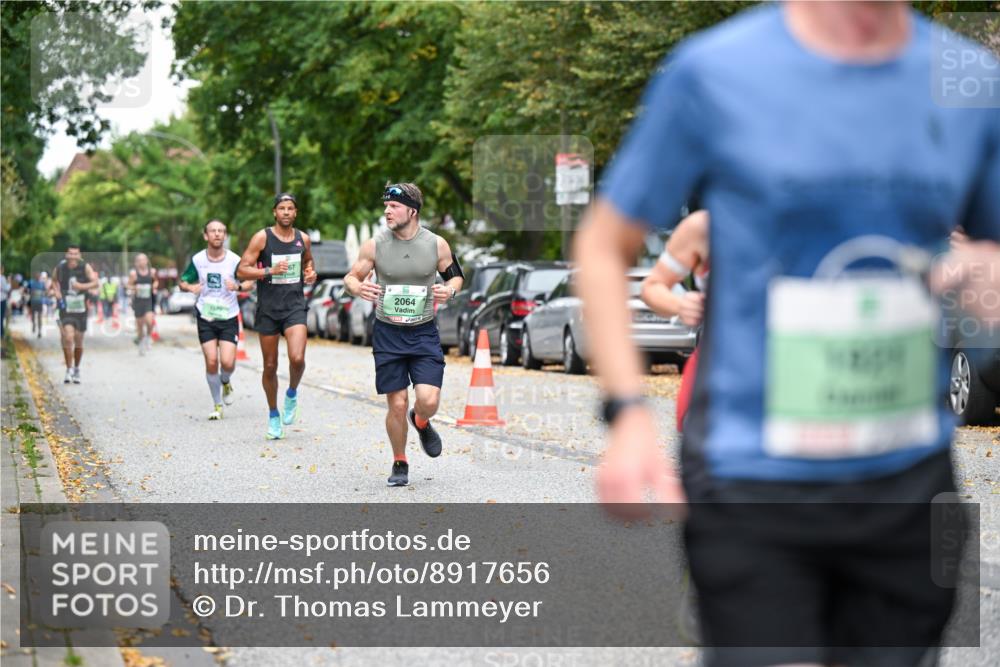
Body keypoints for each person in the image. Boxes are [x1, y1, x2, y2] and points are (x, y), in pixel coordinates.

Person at [574, 2, 998, 666]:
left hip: (909, 483)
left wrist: (983, 274)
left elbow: (991, 248)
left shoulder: (969, 81)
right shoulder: (715, 72)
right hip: (753, 474)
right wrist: (627, 414)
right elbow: (604, 243)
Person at [343, 183, 464, 487]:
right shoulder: (375, 245)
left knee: (429, 399)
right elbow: (351, 277)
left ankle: (421, 420)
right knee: (396, 404)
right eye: (385, 205)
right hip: (388, 333)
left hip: (423, 332)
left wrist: (449, 290)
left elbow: (456, 277)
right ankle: (400, 461)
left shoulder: (436, 244)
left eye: (394, 206)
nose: (387, 211)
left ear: (412, 210)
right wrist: (357, 287)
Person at [237, 193, 317, 439]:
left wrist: (310, 273)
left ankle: (291, 393)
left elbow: (309, 263)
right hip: (269, 309)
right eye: (281, 208)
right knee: (270, 366)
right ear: (275, 212)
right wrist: (268, 271)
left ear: (296, 212)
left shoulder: (303, 238)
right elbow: (242, 270)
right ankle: (273, 414)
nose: (286, 212)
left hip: (294, 307)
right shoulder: (262, 238)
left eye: (290, 208)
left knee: (297, 359)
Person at [639, 209, 709, 432]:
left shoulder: (802, 217)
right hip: (717, 362)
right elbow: (652, 286)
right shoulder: (703, 226)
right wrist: (681, 304)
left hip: (790, 363)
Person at [181, 220, 255, 420]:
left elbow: (250, 281)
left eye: (221, 231)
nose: (217, 234)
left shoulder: (234, 260)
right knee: (212, 360)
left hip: (228, 315)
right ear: (206, 235)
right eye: (213, 231)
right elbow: (182, 281)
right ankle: (217, 405)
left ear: (225, 235)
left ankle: (226, 381)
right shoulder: (198, 260)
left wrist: (238, 287)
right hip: (205, 315)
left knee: (228, 363)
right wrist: (190, 287)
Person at [51, 246, 99, 384]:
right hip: (65, 308)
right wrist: (57, 292)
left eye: (75, 254)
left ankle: (77, 368)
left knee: (78, 341)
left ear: (79, 255)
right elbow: (53, 280)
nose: (72, 256)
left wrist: (81, 286)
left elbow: (96, 283)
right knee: (68, 338)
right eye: (70, 253)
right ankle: (69, 369)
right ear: (66, 254)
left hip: (81, 309)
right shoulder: (60, 267)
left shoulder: (85, 267)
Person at [128, 254, 158, 354]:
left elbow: (156, 282)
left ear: (147, 261)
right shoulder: (134, 274)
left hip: (148, 300)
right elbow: (128, 285)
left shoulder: (152, 272)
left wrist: (154, 286)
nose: (142, 262)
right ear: (136, 263)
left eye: (143, 260)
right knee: (140, 325)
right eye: (139, 260)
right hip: (138, 302)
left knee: (150, 321)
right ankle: (141, 343)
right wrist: (135, 288)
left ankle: (148, 337)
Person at [28, 271, 48, 338]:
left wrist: (43, 294)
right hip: (33, 302)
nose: (38, 277)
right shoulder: (31, 283)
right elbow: (27, 290)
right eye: (37, 276)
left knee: (39, 316)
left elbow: (45, 291)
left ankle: (39, 331)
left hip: (39, 302)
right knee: (33, 316)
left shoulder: (42, 284)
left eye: (39, 276)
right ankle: (34, 324)